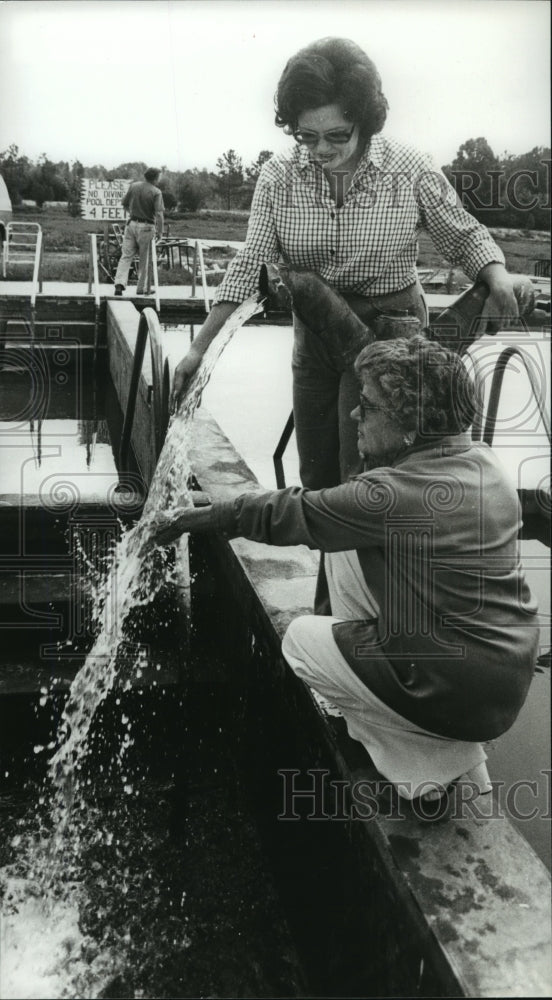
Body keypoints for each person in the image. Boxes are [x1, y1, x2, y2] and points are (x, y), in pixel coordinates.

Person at [150, 336, 540, 812]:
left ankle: (426, 774)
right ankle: (405, 721)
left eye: (368, 406)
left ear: (409, 426)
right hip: (503, 681)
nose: (355, 415)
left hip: (456, 691)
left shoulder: (393, 492)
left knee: (298, 641)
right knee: (341, 543)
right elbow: (323, 518)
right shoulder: (485, 465)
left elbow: (288, 511)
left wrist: (205, 515)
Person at [171, 36, 531, 490]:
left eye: (337, 135)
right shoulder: (278, 176)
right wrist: (199, 349)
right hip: (317, 333)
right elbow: (250, 262)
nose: (320, 149)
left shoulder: (410, 168)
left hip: (390, 335)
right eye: (307, 136)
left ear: (365, 121)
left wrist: (496, 277)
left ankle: (368, 560)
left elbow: (461, 233)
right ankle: (327, 562)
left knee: (364, 473)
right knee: (316, 471)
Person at [114, 167, 164, 296]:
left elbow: (124, 204)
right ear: (155, 178)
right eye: (159, 177)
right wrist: (160, 231)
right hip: (147, 226)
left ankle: (119, 284)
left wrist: (132, 213)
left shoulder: (134, 186)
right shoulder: (156, 192)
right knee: (145, 259)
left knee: (126, 256)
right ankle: (142, 288)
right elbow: (159, 214)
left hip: (131, 224)